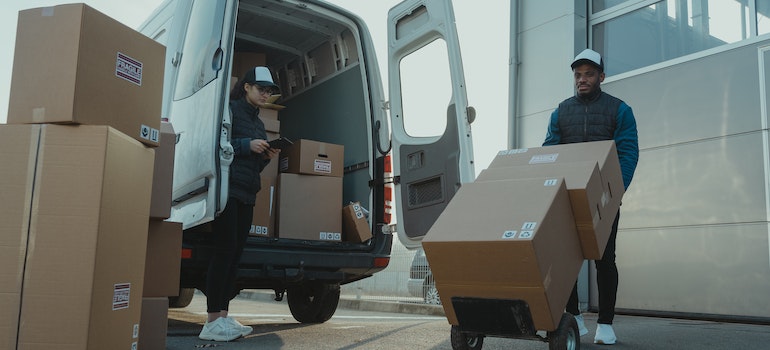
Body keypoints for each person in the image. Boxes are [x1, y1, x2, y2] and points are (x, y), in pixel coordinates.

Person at [543, 49, 639, 345]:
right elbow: (550, 151)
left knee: (604, 259)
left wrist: (616, 191)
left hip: (604, 200)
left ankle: (606, 324)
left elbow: (627, 152)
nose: (582, 79)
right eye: (577, 75)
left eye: (588, 74)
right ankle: (574, 316)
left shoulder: (619, 110)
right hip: (567, 198)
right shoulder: (561, 111)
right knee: (566, 260)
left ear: (601, 77)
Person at [198, 66, 282, 342]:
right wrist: (248, 145)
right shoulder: (230, 110)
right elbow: (214, 145)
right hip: (227, 190)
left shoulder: (259, 123)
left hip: (247, 192)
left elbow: (253, 166)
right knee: (223, 252)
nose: (265, 95)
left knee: (235, 254)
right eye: (261, 89)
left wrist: (266, 154)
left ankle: (222, 316)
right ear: (246, 87)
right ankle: (211, 320)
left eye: (269, 91)